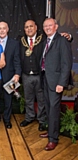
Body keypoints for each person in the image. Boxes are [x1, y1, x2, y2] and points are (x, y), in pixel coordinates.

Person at [39, 18, 72, 151]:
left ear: (56, 27)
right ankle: (51, 131)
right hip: (45, 79)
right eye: (45, 26)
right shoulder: (44, 41)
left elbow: (66, 64)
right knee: (48, 107)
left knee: (53, 109)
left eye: (50, 25)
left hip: (56, 82)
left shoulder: (62, 40)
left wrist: (61, 83)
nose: (47, 27)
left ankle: (53, 139)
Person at [19, 20, 46, 131]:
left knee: (41, 99)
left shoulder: (43, 40)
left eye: (31, 26)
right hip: (26, 75)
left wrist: (68, 36)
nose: (29, 29)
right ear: (24, 29)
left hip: (39, 75)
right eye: (26, 27)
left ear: (36, 27)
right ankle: (29, 117)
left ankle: (42, 120)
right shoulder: (21, 41)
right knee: (28, 98)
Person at [0, 21, 21, 129]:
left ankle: (7, 119)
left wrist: (17, 74)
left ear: (8, 29)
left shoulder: (14, 43)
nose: (2, 30)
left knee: (8, 99)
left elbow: (17, 60)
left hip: (9, 76)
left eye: (4, 28)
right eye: (0, 28)